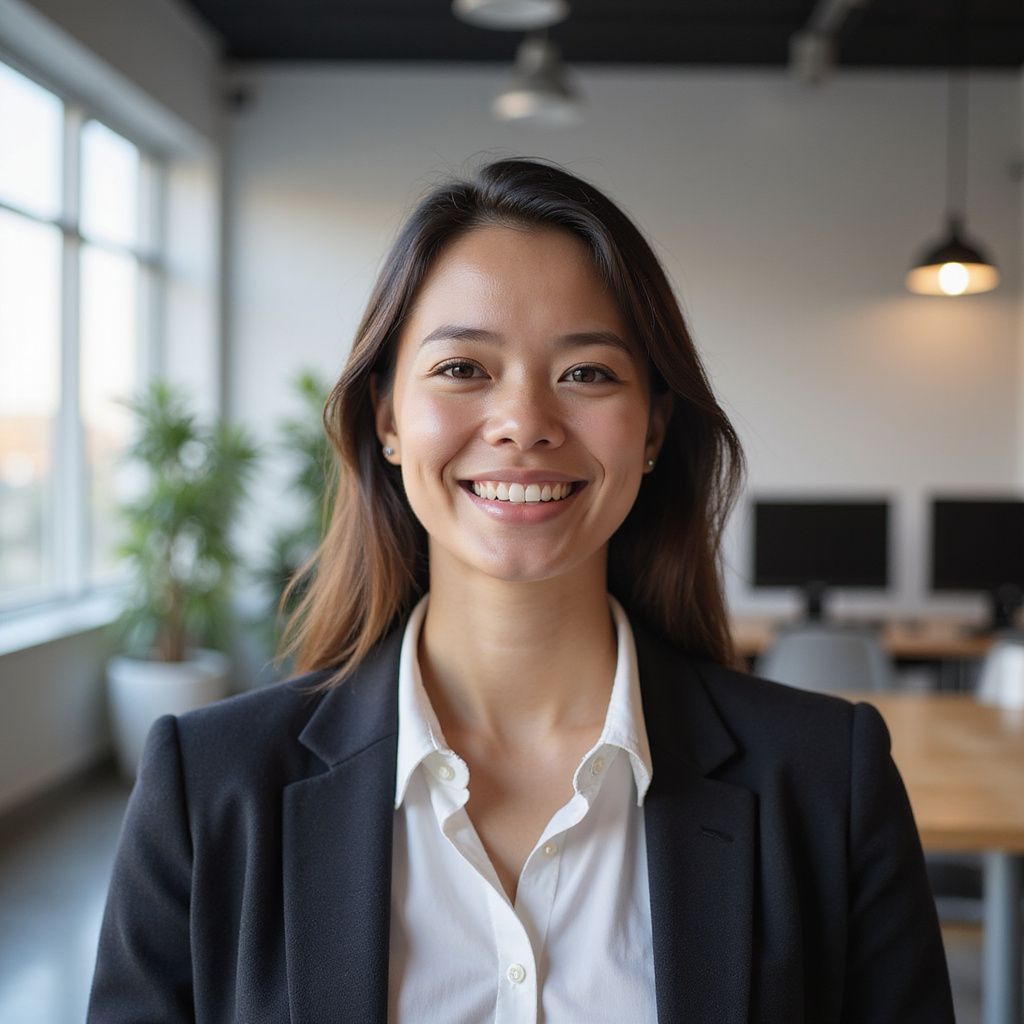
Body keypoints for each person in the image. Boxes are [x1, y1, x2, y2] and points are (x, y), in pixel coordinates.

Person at [88, 157, 954, 1023]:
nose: (525, 422)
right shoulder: (210, 790)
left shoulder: (827, 783)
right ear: (388, 418)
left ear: (653, 425)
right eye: (463, 368)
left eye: (587, 373)